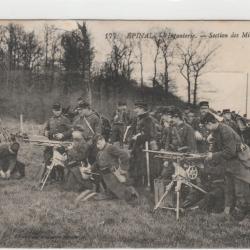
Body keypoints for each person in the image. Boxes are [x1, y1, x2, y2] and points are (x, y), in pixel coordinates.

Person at [201, 112, 250, 220]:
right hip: (229, 163)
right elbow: (216, 147)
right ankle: (227, 213)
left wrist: (213, 155)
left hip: (240, 161)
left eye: (206, 125)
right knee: (229, 189)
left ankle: (244, 217)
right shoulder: (216, 131)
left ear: (209, 123)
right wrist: (210, 151)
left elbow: (230, 151)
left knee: (241, 190)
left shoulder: (225, 130)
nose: (207, 128)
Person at [93, 134, 138, 202]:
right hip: (105, 175)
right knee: (111, 191)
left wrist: (123, 169)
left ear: (102, 140)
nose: (97, 146)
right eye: (96, 145)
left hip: (113, 175)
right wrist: (90, 168)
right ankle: (109, 193)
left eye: (98, 144)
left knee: (125, 195)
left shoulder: (110, 148)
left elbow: (124, 155)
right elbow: (97, 162)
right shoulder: (100, 151)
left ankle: (131, 193)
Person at [129, 101, 159, 188]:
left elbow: (148, 135)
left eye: (137, 108)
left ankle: (148, 187)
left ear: (142, 109)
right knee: (137, 167)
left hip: (146, 148)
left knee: (146, 168)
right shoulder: (139, 118)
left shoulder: (148, 119)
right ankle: (138, 187)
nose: (135, 110)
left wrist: (137, 138)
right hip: (139, 147)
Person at [43, 103, 72, 181]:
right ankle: (52, 176)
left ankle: (61, 175)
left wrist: (63, 135)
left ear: (61, 110)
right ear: (53, 111)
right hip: (51, 143)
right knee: (48, 158)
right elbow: (45, 129)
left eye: (59, 110)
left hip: (61, 143)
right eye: (56, 111)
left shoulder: (65, 119)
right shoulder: (50, 120)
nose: (58, 112)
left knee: (60, 160)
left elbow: (71, 131)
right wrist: (45, 132)